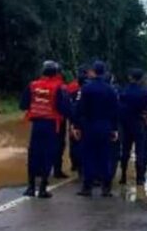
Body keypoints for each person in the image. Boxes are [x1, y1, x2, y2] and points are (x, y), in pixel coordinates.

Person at [19, 61, 72, 199]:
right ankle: (42, 188)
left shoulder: (33, 85)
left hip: (36, 125)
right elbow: (65, 109)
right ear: (56, 73)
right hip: (51, 125)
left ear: (42, 72)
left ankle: (30, 187)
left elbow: (23, 105)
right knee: (47, 155)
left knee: (33, 154)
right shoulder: (60, 87)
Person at [74, 61, 119, 198]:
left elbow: (80, 109)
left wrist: (77, 126)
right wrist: (114, 129)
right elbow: (115, 111)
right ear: (104, 72)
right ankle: (106, 188)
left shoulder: (86, 89)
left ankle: (87, 187)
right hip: (105, 126)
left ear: (93, 72)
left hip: (89, 126)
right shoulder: (110, 89)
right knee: (105, 156)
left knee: (89, 156)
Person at [118, 68, 147, 185]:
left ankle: (123, 177)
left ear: (130, 77)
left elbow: (119, 107)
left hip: (125, 124)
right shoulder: (144, 93)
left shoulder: (123, 91)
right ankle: (140, 178)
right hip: (138, 123)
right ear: (141, 79)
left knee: (125, 151)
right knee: (140, 151)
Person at [66, 65, 89, 177]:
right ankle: (83, 167)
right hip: (86, 120)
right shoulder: (88, 88)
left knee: (74, 142)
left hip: (73, 119)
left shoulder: (70, 86)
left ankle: (75, 164)